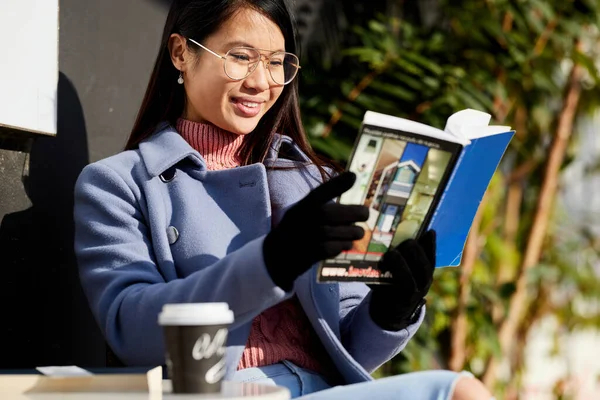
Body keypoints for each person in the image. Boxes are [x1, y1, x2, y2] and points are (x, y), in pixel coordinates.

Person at [73, 1, 494, 399]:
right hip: (229, 390)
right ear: (181, 53)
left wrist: (391, 310)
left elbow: (348, 350)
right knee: (457, 391)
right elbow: (133, 329)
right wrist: (270, 263)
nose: (260, 82)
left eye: (276, 62)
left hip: (326, 389)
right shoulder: (119, 184)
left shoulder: (312, 178)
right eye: (240, 57)